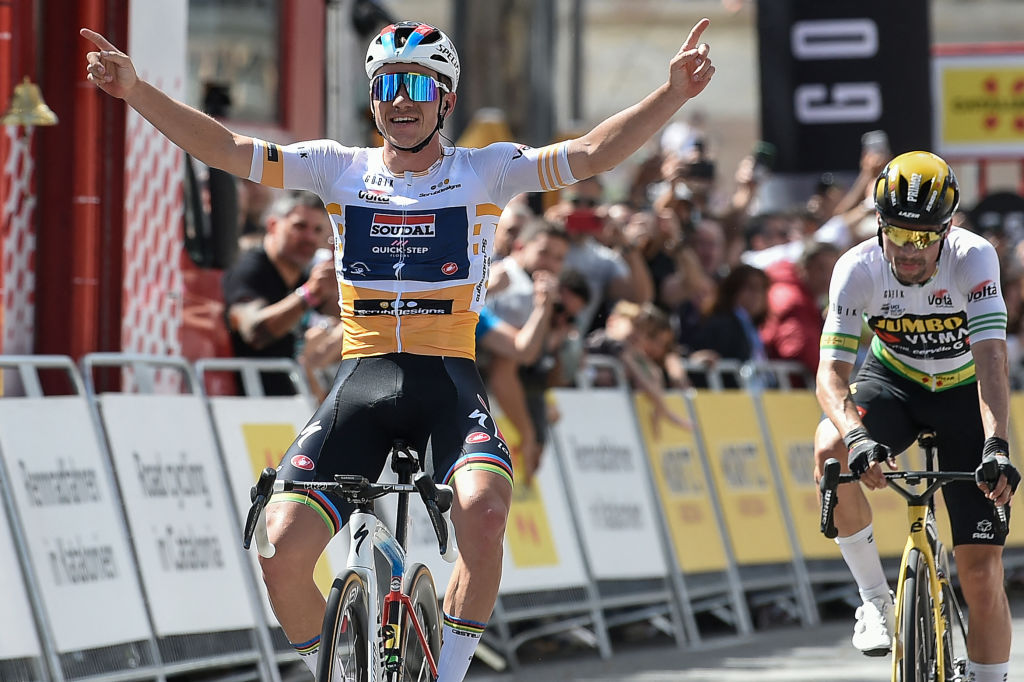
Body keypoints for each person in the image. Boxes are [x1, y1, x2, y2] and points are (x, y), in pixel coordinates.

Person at [82, 17, 715, 682]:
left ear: (445, 97)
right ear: (372, 98)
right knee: (277, 547)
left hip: (448, 383)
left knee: (483, 510)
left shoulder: (486, 171)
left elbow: (588, 155)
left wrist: (670, 95)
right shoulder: (338, 169)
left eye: (417, 84)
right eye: (386, 85)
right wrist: (137, 91)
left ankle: (447, 672)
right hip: (364, 379)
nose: (401, 99)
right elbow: (228, 148)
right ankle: (335, 668)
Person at [813, 151, 1018, 682]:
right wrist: (857, 439)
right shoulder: (857, 267)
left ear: (947, 230)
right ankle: (875, 600)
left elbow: (992, 360)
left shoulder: (974, 259)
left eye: (925, 237)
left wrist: (997, 444)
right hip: (894, 383)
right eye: (898, 234)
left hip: (964, 393)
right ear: (879, 223)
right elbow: (830, 374)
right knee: (828, 449)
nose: (909, 250)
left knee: (980, 574)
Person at [221, 190, 339, 395]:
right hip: (251, 412)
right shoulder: (250, 269)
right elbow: (254, 332)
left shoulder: (301, 276)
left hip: (286, 408)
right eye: (300, 226)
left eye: (317, 230)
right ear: (273, 225)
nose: (310, 238)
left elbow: (346, 316)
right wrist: (309, 294)